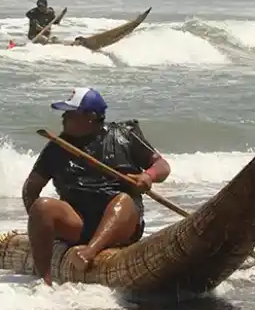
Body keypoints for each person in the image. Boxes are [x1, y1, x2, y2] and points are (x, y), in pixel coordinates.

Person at [21, 87, 171, 286]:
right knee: (42, 207)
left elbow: (162, 166)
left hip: (121, 223)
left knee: (124, 201)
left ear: (90, 117)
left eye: (70, 112)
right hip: (78, 222)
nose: (64, 116)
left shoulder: (124, 134)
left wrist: (147, 176)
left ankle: (89, 252)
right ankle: (44, 282)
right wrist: (40, 229)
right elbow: (31, 188)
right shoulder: (57, 147)